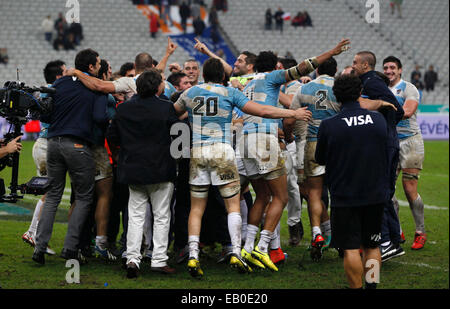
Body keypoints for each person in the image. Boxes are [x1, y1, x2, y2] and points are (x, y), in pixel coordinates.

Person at [172, 58, 313, 278]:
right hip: (222, 151)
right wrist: (292, 114)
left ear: (202, 74)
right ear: (223, 76)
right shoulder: (229, 93)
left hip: (197, 151)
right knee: (233, 206)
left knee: (196, 208)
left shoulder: (190, 93)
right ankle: (237, 252)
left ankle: (193, 256)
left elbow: (174, 112)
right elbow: (263, 111)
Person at [239, 39, 350, 272]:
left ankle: (247, 249)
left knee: (261, 196)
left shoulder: (248, 84)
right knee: (281, 197)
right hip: (265, 141)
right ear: (276, 69)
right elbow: (303, 66)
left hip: (245, 142)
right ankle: (262, 248)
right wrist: (330, 51)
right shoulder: (272, 78)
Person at [32, 49, 109, 265]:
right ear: (92, 67)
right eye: (98, 63)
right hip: (77, 144)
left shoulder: (59, 84)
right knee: (84, 197)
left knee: (53, 195)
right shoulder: (96, 87)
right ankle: (70, 248)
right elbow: (100, 117)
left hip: (53, 144)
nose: (99, 66)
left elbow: (45, 114)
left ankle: (39, 248)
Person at [315, 73, 390, 289]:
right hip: (375, 192)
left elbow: (320, 158)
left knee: (350, 248)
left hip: (344, 194)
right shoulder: (378, 119)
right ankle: (371, 286)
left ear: (336, 96)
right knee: (372, 245)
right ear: (359, 93)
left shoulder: (329, 125)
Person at [107, 69, 178, 278]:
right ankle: (158, 260)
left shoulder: (124, 109)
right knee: (162, 216)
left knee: (136, 216)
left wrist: (119, 155)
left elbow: (112, 136)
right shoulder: (166, 108)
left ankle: (132, 259)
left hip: (132, 168)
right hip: (161, 169)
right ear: (158, 87)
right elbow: (178, 134)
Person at [352, 51, 405, 262]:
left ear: (366, 65)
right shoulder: (369, 82)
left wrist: (383, 128)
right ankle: (392, 241)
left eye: (356, 62)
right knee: (383, 193)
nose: (353, 65)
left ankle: (385, 242)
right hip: (387, 143)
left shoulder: (371, 82)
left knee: (376, 193)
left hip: (383, 145)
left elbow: (397, 109)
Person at [21, 60, 66, 256]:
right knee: (51, 193)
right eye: (64, 72)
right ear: (58, 76)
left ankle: (34, 233)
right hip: (48, 146)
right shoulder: (53, 91)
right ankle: (33, 232)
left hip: (42, 144)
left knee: (49, 193)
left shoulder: (46, 90)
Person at [383, 56, 427, 250]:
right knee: (387, 190)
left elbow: (408, 111)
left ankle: (420, 231)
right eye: (386, 68)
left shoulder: (408, 88)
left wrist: (381, 107)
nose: (389, 71)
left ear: (400, 70)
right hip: (389, 143)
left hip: (410, 142)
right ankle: (396, 230)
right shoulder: (380, 89)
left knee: (409, 189)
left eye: (392, 67)